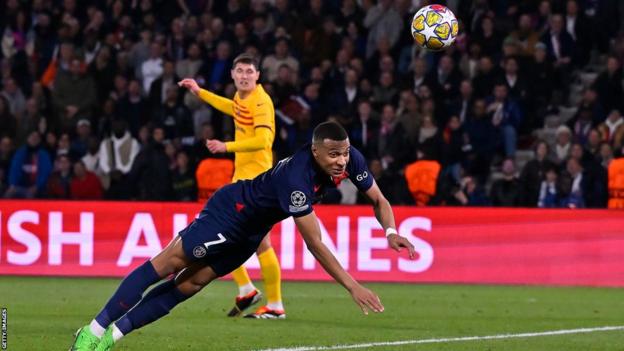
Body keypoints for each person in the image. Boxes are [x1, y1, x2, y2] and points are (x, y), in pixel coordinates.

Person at [69, 122, 416, 351]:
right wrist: (353, 285)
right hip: (229, 213)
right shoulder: (297, 180)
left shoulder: (350, 158)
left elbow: (380, 200)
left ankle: (112, 338)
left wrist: (391, 231)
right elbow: (315, 243)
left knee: (190, 285)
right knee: (168, 264)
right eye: (333, 155)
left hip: (250, 233)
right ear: (315, 152)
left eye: (344, 152)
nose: (341, 161)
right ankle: (93, 331)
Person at [178, 53, 284, 318]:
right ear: (233, 74)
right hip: (245, 180)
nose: (244, 75)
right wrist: (200, 92)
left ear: (258, 75)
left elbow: (263, 141)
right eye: (240, 71)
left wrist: (227, 146)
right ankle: (254, 293)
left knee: (238, 236)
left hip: (256, 181)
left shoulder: (261, 102)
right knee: (245, 239)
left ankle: (269, 302)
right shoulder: (243, 98)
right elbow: (232, 108)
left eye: (249, 71)